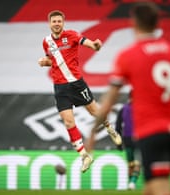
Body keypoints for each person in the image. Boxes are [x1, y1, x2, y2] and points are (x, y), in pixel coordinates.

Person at [88, 2, 170, 195]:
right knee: (150, 187)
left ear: (133, 23)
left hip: (152, 133)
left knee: (161, 188)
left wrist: (93, 132)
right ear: (157, 23)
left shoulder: (128, 55)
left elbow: (109, 101)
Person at [38, 10, 122, 173]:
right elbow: (53, 61)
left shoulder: (72, 35)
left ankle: (110, 128)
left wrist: (96, 45)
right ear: (49, 24)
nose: (56, 24)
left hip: (77, 84)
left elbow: (90, 44)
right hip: (60, 87)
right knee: (68, 122)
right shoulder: (46, 42)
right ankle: (85, 156)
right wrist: (45, 62)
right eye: (53, 21)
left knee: (96, 113)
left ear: (63, 23)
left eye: (59, 21)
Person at [115, 97, 140, 190]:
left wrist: (118, 143)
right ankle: (132, 182)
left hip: (127, 138)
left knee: (131, 163)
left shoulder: (123, 109)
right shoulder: (140, 107)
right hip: (138, 138)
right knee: (137, 163)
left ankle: (131, 184)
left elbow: (118, 127)